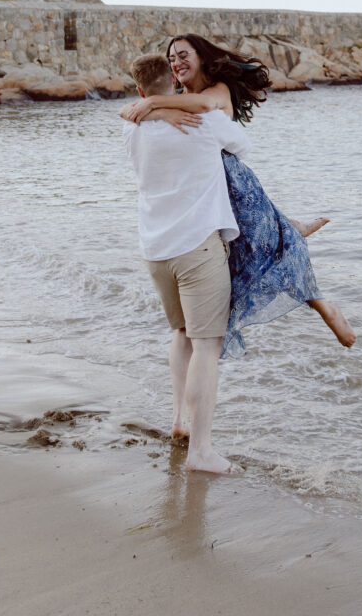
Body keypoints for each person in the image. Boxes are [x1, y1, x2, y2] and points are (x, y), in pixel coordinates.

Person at [121, 34, 356, 357]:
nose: (176, 62)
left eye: (183, 54)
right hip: (205, 189)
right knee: (247, 260)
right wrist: (159, 110)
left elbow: (200, 107)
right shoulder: (178, 96)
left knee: (266, 249)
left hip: (231, 184)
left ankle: (322, 305)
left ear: (202, 57)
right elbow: (128, 113)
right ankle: (290, 227)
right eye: (172, 58)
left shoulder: (215, 91)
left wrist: (152, 104)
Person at [122, 53, 250, 475]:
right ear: (174, 85)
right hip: (197, 246)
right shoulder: (204, 123)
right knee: (208, 346)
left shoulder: (132, 129)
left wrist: (157, 109)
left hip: (155, 250)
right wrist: (178, 107)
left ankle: (178, 419)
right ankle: (201, 451)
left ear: (140, 92)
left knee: (181, 334)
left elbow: (140, 114)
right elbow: (242, 143)